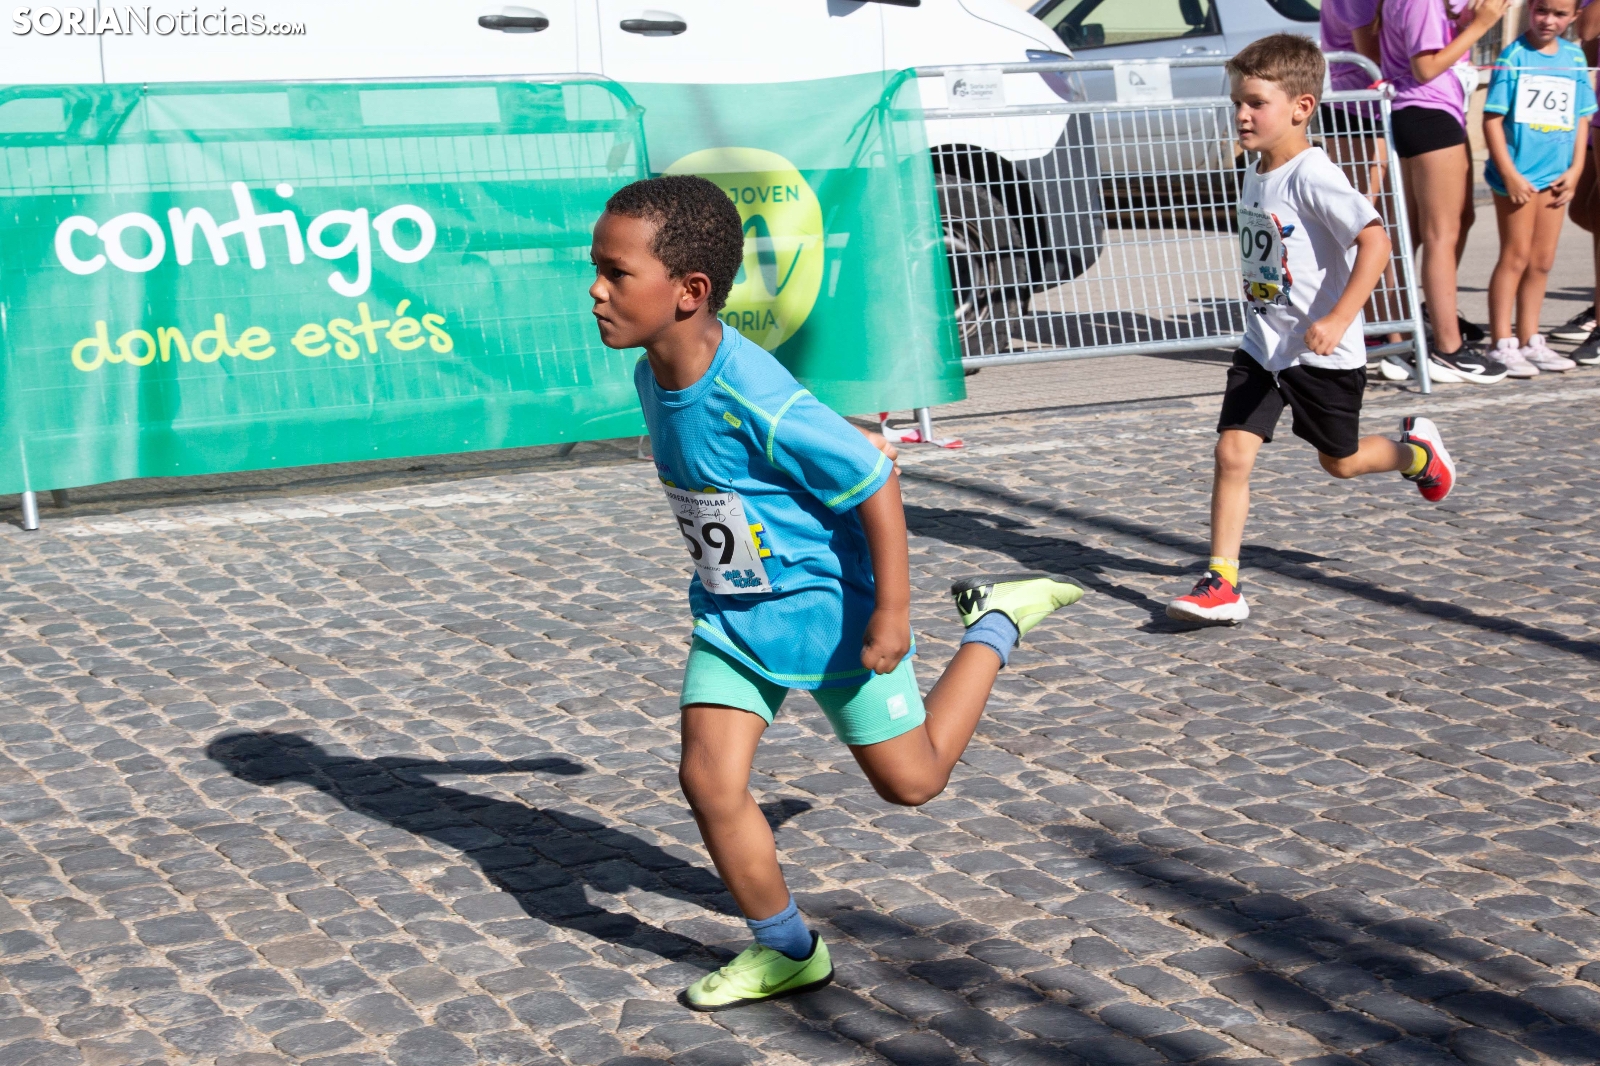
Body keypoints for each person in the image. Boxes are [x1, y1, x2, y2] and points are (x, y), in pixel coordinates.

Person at [589, 175, 1083, 1009]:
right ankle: (787, 949)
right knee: (708, 780)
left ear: (689, 291)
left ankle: (997, 621)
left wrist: (892, 612)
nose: (596, 291)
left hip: (833, 615)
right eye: (596, 270)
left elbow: (874, 480)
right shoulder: (652, 373)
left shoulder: (750, 390)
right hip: (734, 619)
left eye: (616, 273)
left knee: (912, 782)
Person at [1167, 35, 1457, 624]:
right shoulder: (1257, 168)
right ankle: (1222, 581)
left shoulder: (1314, 175)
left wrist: (1340, 317)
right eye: (1236, 103)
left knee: (1340, 462)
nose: (1242, 115)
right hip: (1264, 346)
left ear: (1301, 107)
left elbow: (1375, 242)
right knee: (1232, 452)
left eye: (1256, 103)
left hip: (1320, 353)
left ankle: (1417, 455)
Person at [1378, 0, 1512, 384]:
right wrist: (1481, 25)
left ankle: (1403, 335)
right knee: (1440, 235)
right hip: (1427, 110)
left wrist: (1466, 19)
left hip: (1428, 110)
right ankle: (1448, 349)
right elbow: (1425, 67)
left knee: (1425, 231)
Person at [1482, 0, 1595, 374]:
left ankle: (1531, 338)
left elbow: (1582, 116)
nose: (1549, 20)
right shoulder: (1513, 57)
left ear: (1575, 17)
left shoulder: (1575, 58)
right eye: (1542, 10)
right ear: (1530, 8)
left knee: (1542, 260)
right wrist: (1509, 173)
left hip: (1556, 177)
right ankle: (1501, 341)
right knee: (1515, 256)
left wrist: (1577, 168)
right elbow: (1492, 119)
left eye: (1560, 14)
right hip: (1518, 177)